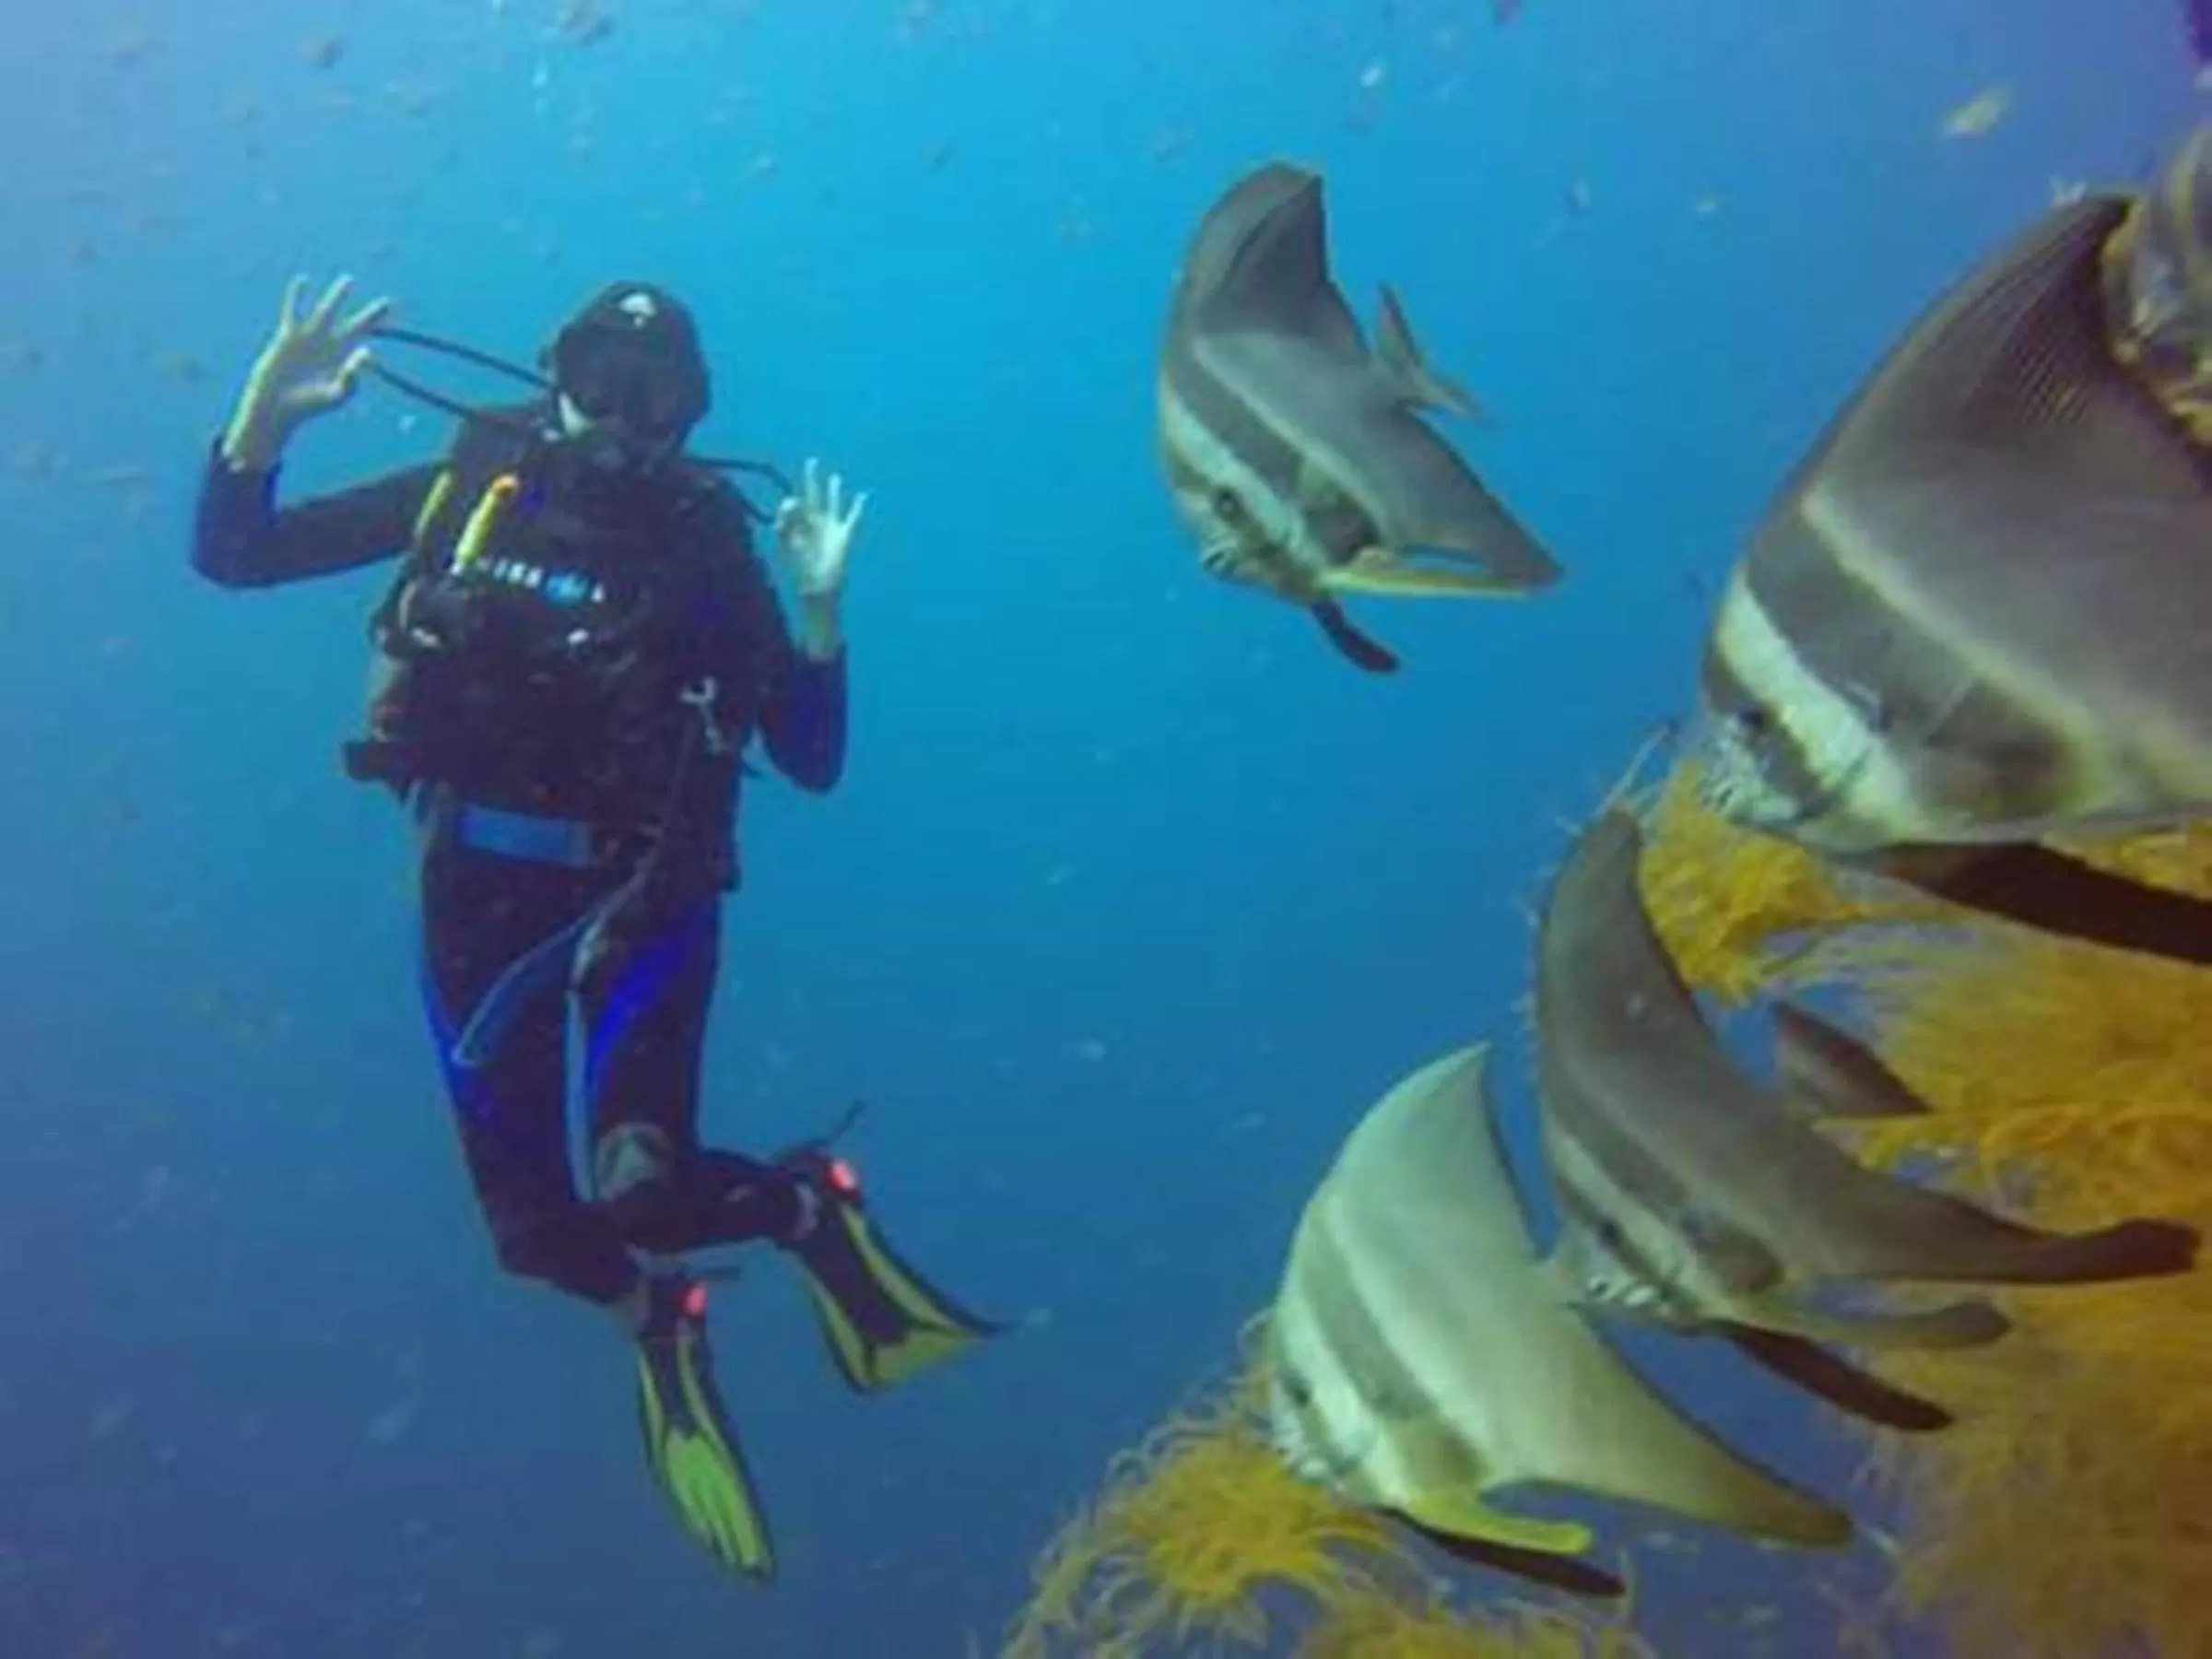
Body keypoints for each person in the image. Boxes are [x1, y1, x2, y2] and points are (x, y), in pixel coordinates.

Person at [190, 275, 996, 1581]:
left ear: (694, 411)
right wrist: (260, 420)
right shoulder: (471, 487)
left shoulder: (706, 540)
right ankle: (659, 1320)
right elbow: (236, 555)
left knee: (652, 1187)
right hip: (479, 903)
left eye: (660, 396)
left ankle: (803, 1210)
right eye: (600, 381)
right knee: (535, 1239)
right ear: (553, 371)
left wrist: (822, 612)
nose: (626, 418)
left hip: (645, 900)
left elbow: (811, 757)